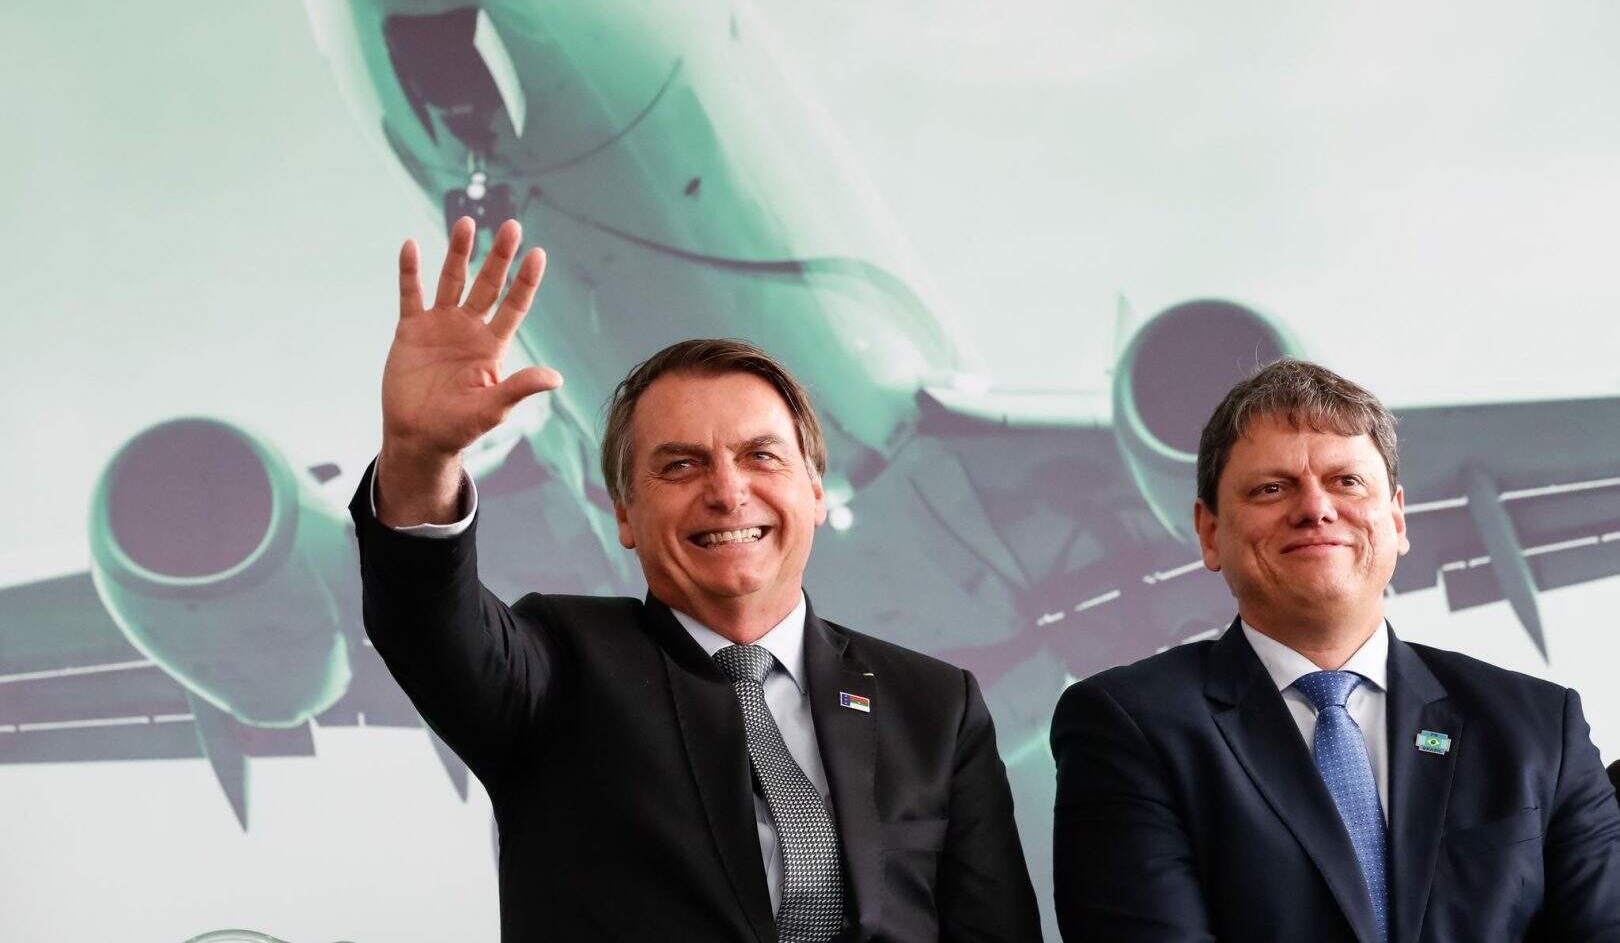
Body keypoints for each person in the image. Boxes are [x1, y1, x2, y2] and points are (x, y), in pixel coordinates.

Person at [352, 217, 1042, 942]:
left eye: (761, 457)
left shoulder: (937, 706)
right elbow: (427, 621)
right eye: (680, 465)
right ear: (623, 512)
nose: (727, 491)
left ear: (813, 490)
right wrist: (420, 457)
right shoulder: (556, 665)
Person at [1050, 359, 1620, 942]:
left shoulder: (1540, 729)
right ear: (1209, 532)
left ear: (1397, 518)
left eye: (1347, 481)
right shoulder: (1130, 729)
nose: (1315, 509)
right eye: (1271, 488)